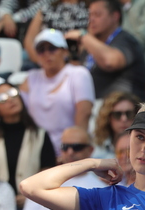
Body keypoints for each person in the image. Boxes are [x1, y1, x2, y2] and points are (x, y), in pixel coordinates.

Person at [0, 83, 57, 210]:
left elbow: (47, 172)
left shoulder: (40, 134)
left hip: (33, 204)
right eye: (2, 99)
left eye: (13, 94)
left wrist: (31, 196)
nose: (10, 100)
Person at [20, 28, 95, 157]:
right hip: (37, 151)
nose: (46, 54)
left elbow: (84, 113)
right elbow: (21, 115)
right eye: (41, 50)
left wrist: (72, 149)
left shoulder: (78, 74)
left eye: (52, 48)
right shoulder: (31, 78)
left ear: (64, 52)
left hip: (68, 150)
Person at [19, 126, 106, 210]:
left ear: (90, 150)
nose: (70, 152)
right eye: (65, 147)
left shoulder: (102, 188)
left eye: (77, 147)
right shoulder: (42, 183)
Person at [64, 0, 145, 100]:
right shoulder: (91, 45)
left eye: (97, 15)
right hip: (94, 107)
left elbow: (110, 62)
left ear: (115, 16)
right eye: (90, 15)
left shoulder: (126, 40)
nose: (91, 19)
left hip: (123, 111)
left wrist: (83, 35)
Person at [23, 0, 89, 64]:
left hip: (81, 59)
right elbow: (29, 39)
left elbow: (94, 38)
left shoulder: (89, 8)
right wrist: (42, 62)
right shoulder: (46, 8)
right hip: (47, 59)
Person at [92, 90, 140, 159]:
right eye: (117, 114)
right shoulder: (97, 147)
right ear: (108, 117)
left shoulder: (143, 145)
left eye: (129, 114)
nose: (124, 119)